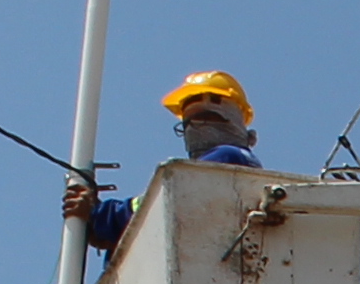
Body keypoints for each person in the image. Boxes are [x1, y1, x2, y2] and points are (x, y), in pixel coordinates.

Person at [66, 71, 264, 253]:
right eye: (187, 124)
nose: (194, 129)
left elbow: (162, 201)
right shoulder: (235, 168)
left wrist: (103, 215)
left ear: (231, 120)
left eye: (205, 118)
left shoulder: (228, 157)